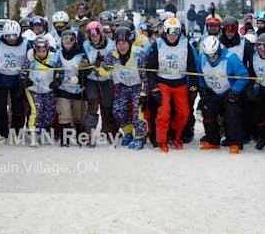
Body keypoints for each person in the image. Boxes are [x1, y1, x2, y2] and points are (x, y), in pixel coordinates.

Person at [146, 17, 198, 152]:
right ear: (165, 31)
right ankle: (161, 139)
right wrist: (153, 87)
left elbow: (192, 65)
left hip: (180, 83)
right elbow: (150, 68)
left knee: (184, 113)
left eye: (176, 32)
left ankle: (174, 136)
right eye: (170, 32)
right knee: (164, 112)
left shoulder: (185, 44)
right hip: (163, 83)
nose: (173, 36)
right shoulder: (158, 44)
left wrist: (193, 85)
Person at [196, 35, 249, 154]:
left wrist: (235, 90)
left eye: (214, 55)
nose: (212, 58)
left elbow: (244, 76)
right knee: (207, 113)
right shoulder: (201, 58)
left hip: (229, 91)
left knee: (232, 115)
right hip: (213, 91)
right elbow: (199, 73)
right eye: (208, 55)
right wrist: (202, 87)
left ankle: (235, 142)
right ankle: (213, 140)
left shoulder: (231, 58)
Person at [98, 27, 148, 150]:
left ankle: (139, 137)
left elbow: (145, 77)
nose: (121, 46)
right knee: (117, 111)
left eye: (124, 43)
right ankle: (129, 132)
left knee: (138, 111)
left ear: (130, 43)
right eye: (119, 43)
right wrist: (101, 67)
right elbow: (104, 73)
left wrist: (144, 94)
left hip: (137, 86)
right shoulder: (112, 55)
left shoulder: (139, 54)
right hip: (123, 86)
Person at [0, 20, 31, 138]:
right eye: (7, 36)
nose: (10, 39)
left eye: (14, 36)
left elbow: (31, 61)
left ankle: (17, 131)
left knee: (18, 107)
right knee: (0, 107)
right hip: (0, 79)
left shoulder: (26, 43)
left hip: (17, 79)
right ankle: (2, 131)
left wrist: (26, 77)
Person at [20, 35, 62, 146]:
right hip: (34, 89)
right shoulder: (30, 58)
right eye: (38, 51)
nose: (41, 53)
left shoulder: (53, 57)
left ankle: (45, 133)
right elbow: (23, 72)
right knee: (36, 111)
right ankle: (33, 135)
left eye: (44, 51)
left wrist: (57, 81)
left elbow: (60, 71)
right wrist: (24, 80)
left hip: (48, 89)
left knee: (49, 113)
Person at [82, 20, 116, 143]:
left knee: (107, 105)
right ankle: (89, 132)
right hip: (92, 79)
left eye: (96, 35)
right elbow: (83, 62)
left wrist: (102, 64)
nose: (94, 38)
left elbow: (112, 61)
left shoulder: (111, 44)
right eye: (91, 35)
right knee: (93, 103)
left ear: (101, 33)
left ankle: (108, 130)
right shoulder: (86, 45)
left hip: (106, 79)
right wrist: (89, 65)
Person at [54, 30, 88, 146]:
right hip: (63, 90)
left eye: (71, 40)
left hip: (78, 90)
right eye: (65, 40)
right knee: (65, 114)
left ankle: (80, 136)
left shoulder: (80, 55)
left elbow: (86, 72)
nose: (68, 43)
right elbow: (49, 64)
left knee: (79, 116)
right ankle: (65, 139)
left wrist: (83, 77)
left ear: (75, 42)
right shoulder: (57, 53)